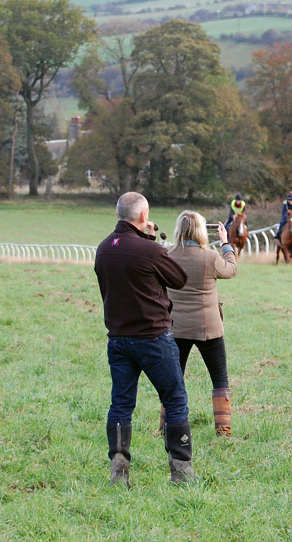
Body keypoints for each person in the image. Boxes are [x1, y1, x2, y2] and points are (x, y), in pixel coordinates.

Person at [94, 192, 191, 486]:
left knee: (121, 404)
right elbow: (179, 279)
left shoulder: (103, 249)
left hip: (118, 337)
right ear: (144, 216)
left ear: (117, 215)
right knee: (175, 399)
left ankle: (119, 470)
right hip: (153, 336)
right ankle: (181, 472)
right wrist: (152, 243)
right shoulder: (150, 250)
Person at [167, 212, 238, 436]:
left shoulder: (167, 255)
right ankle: (223, 430)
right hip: (209, 327)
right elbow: (231, 269)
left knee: (173, 379)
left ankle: (167, 426)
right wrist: (225, 242)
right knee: (219, 377)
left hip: (176, 326)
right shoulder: (210, 256)